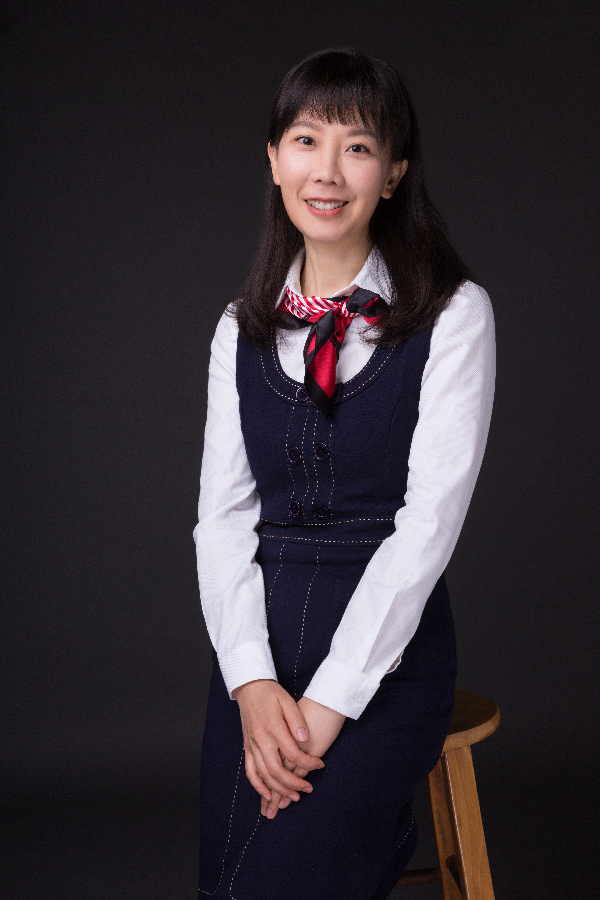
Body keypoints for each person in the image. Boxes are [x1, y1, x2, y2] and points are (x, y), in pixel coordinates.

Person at [193, 47, 495, 900]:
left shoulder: (453, 315)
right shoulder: (240, 328)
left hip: (383, 653)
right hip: (262, 645)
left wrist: (329, 704)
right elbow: (222, 520)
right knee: (232, 881)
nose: (326, 171)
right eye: (305, 140)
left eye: (358, 146)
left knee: (295, 873)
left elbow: (428, 527)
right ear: (273, 158)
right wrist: (251, 682)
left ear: (394, 172)